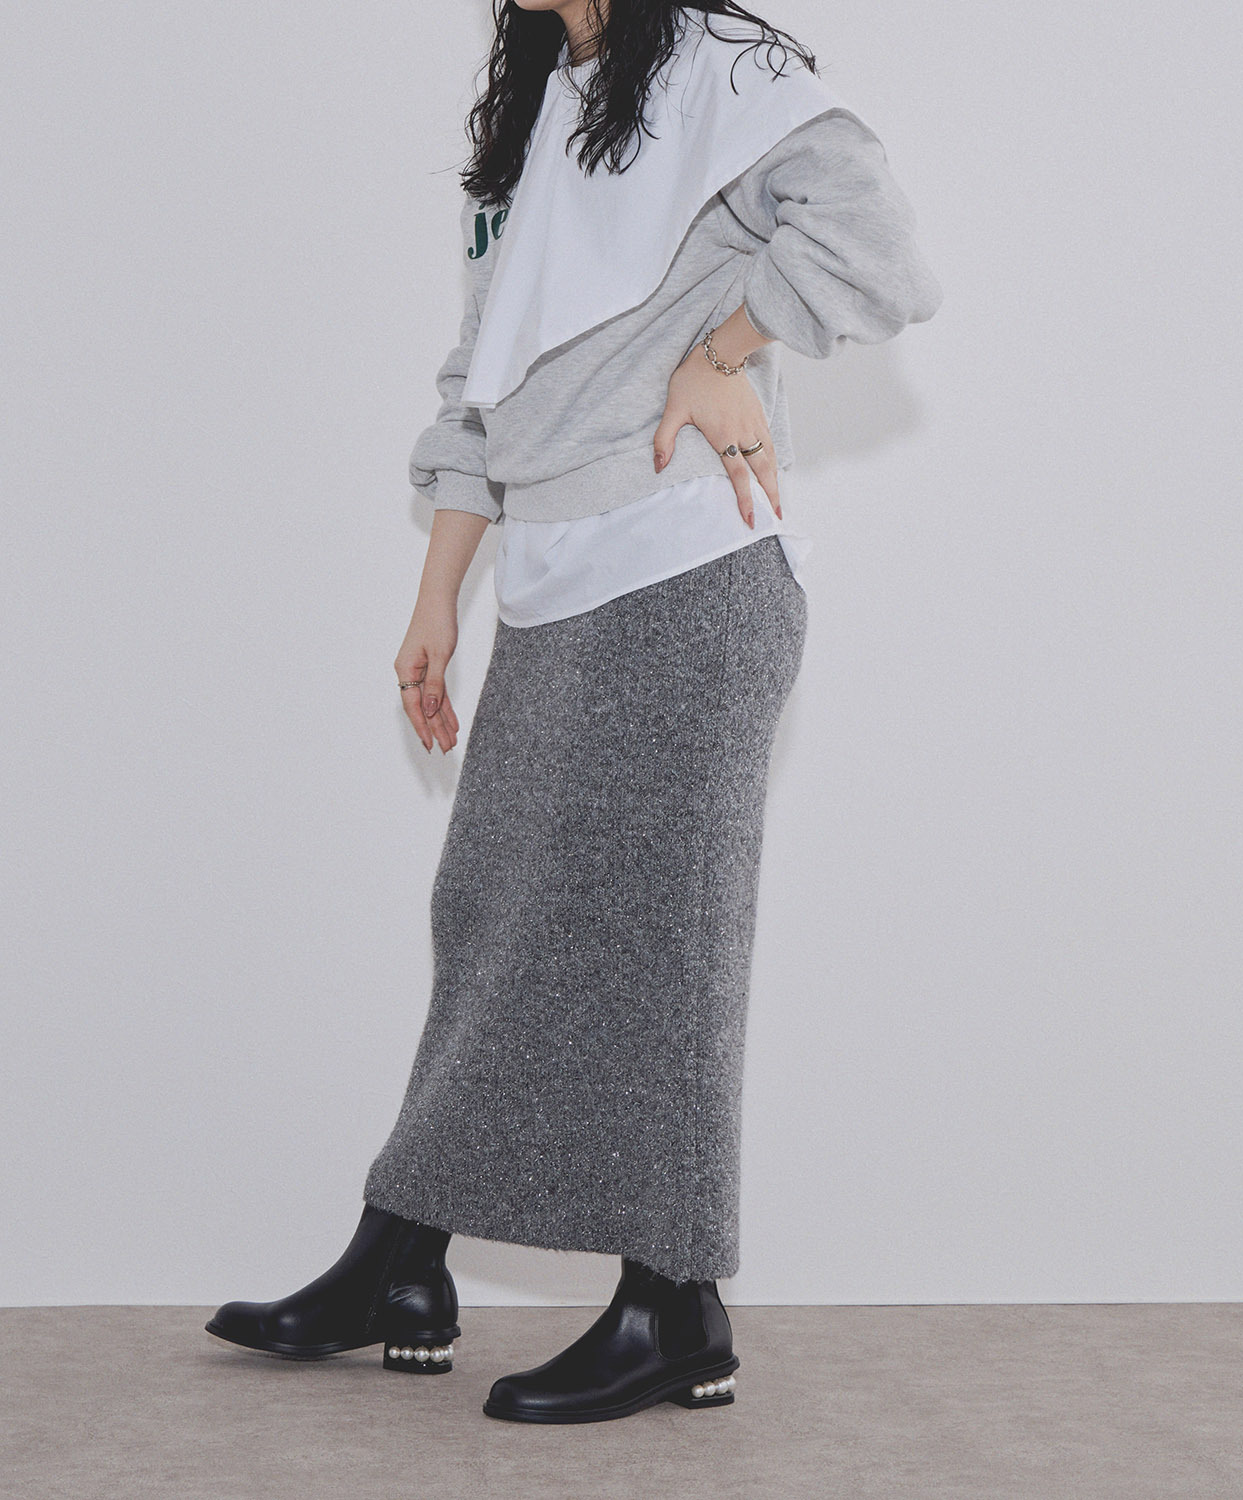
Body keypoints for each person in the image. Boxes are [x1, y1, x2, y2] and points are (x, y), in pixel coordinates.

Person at [208, 0, 942, 1424]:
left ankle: (676, 1304)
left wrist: (720, 352)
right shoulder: (548, 107)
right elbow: (482, 383)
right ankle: (403, 1260)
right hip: (555, 586)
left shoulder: (724, 74)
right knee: (487, 909)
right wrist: (438, 597)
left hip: (684, 568)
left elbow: (878, 249)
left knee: (659, 938)